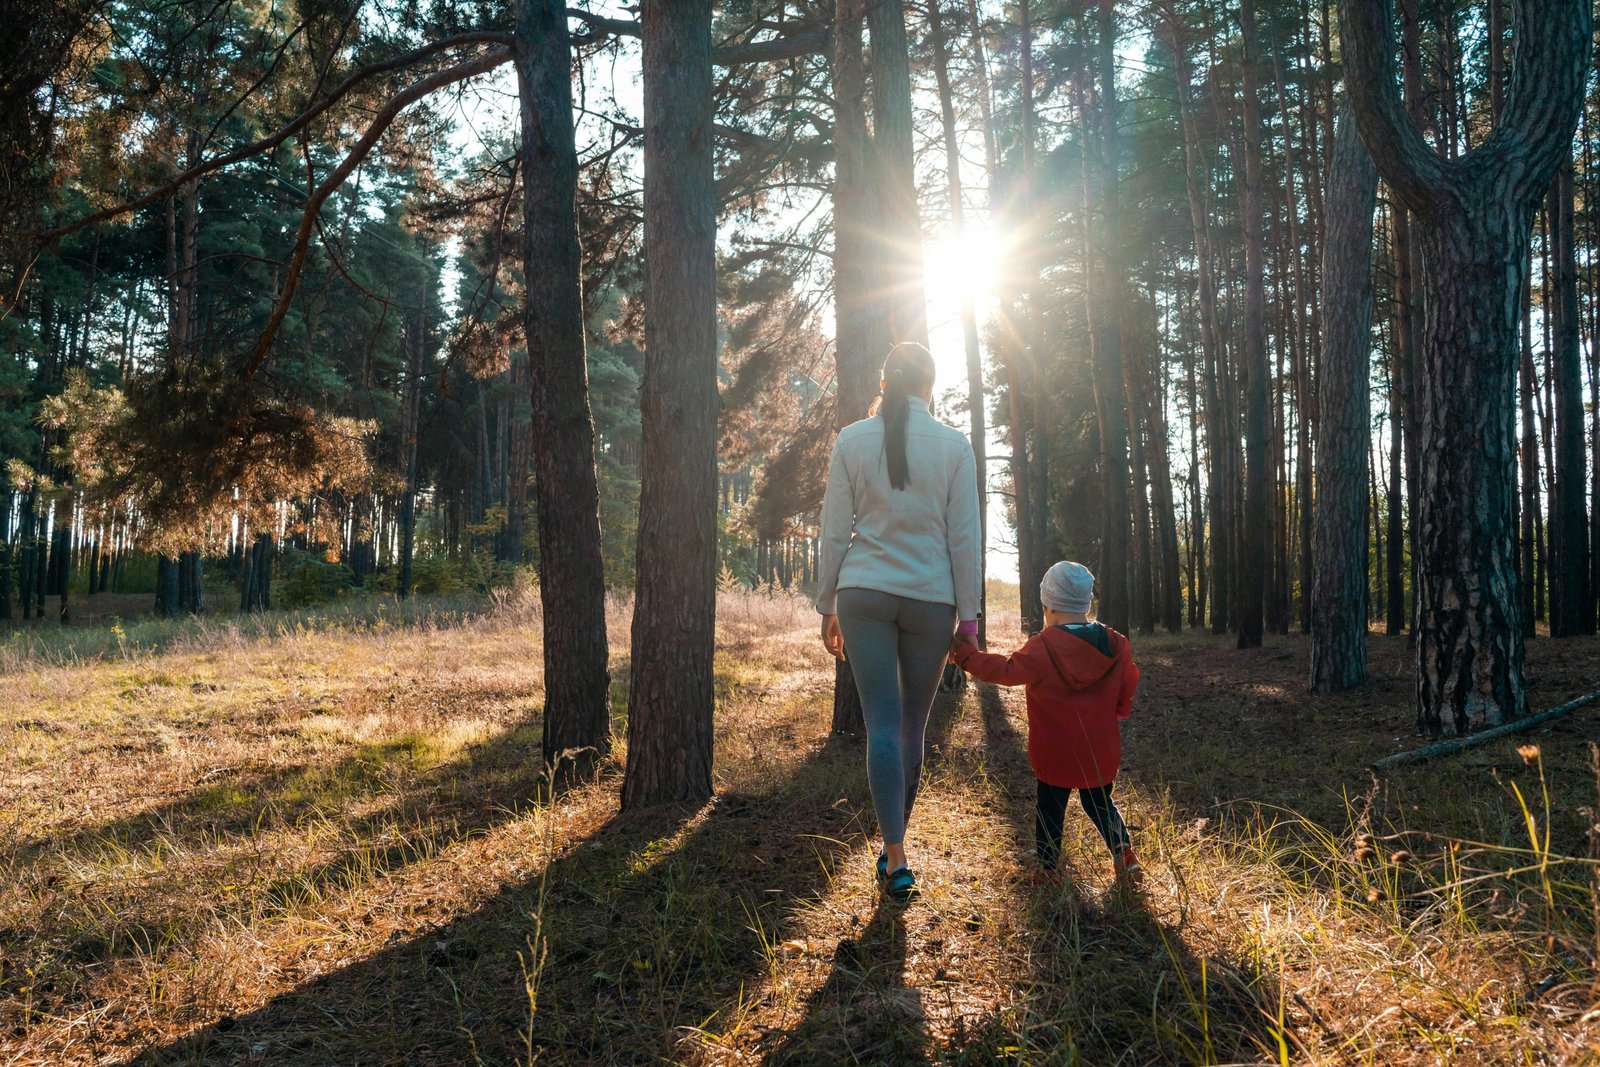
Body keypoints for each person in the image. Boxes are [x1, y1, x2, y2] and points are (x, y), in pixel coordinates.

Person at [815, 342, 983, 903]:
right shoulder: (955, 445)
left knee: (881, 725)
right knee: (911, 727)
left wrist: (827, 604)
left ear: (886, 383)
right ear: (929, 386)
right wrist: (970, 619)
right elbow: (964, 539)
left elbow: (835, 531)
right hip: (931, 600)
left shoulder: (851, 439)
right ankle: (896, 850)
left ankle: (894, 853)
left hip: (863, 593)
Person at [950, 561, 1143, 886]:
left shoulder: (1044, 645)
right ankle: (1124, 852)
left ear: (1049, 606)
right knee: (1099, 802)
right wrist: (1119, 710)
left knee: (1050, 808)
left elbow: (1006, 671)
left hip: (1056, 751)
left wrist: (966, 656)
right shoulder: (1115, 643)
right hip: (1100, 747)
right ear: (1086, 603)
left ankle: (1049, 869)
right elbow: (1128, 681)